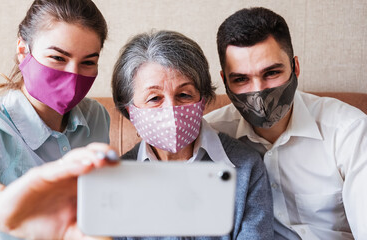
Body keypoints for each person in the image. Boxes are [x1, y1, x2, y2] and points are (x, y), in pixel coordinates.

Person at [204, 7, 367, 240]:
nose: (258, 91)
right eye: (241, 79)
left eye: (271, 73)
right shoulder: (212, 137)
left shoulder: (349, 131)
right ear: (225, 81)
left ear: (295, 67)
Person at [112, 30, 273, 239]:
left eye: (184, 95)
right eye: (154, 98)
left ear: (203, 100)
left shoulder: (246, 166)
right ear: (130, 111)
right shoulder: (116, 180)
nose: (171, 108)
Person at [0, 0, 114, 239]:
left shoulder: (97, 117)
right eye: (58, 58)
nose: (73, 75)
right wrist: (5, 208)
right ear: (23, 50)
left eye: (88, 62)